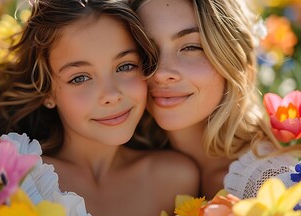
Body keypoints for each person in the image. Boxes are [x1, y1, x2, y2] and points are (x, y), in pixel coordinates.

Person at [0, 0, 200, 216]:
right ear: (47, 91)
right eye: (80, 78)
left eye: (125, 66)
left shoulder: (176, 179)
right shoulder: (17, 177)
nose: (111, 95)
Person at [128, 0, 300, 200]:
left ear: (231, 56)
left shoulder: (269, 185)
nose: (160, 73)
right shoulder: (128, 165)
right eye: (144, 50)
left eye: (191, 47)